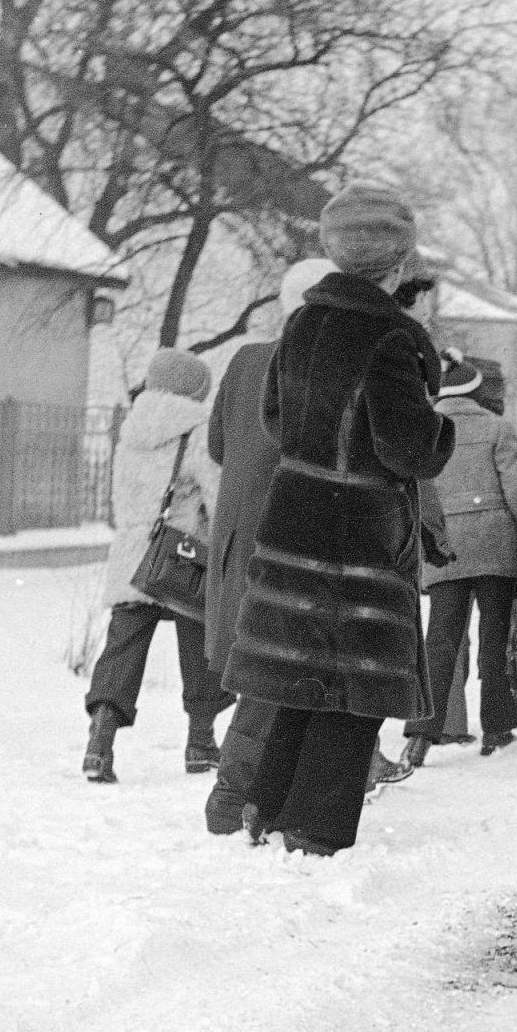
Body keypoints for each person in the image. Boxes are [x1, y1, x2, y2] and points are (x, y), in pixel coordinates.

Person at [222, 182, 455, 856]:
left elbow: (274, 420)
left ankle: (265, 808)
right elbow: (408, 447)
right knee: (355, 687)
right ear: (398, 261)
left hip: (294, 517)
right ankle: (315, 829)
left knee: (299, 677)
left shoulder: (302, 324)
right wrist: (441, 430)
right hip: (360, 531)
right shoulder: (392, 336)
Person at [201, 257, 337, 832]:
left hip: (239, 537)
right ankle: (231, 795)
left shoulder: (245, 359)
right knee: (278, 665)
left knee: (279, 664)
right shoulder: (318, 367)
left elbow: (216, 446)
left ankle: (273, 789)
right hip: (285, 537)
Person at [82, 347, 228, 783]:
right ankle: (200, 743)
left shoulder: (130, 429)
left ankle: (99, 746)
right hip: (183, 558)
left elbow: (121, 498)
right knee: (201, 644)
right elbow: (217, 498)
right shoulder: (199, 430)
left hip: (133, 555)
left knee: (122, 649)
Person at [400, 353, 517, 767]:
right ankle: (497, 728)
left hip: (444, 549)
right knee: (495, 638)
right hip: (495, 548)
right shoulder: (497, 428)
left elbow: (415, 494)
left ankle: (421, 736)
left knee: (440, 641)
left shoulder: (424, 432)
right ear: (475, 389)